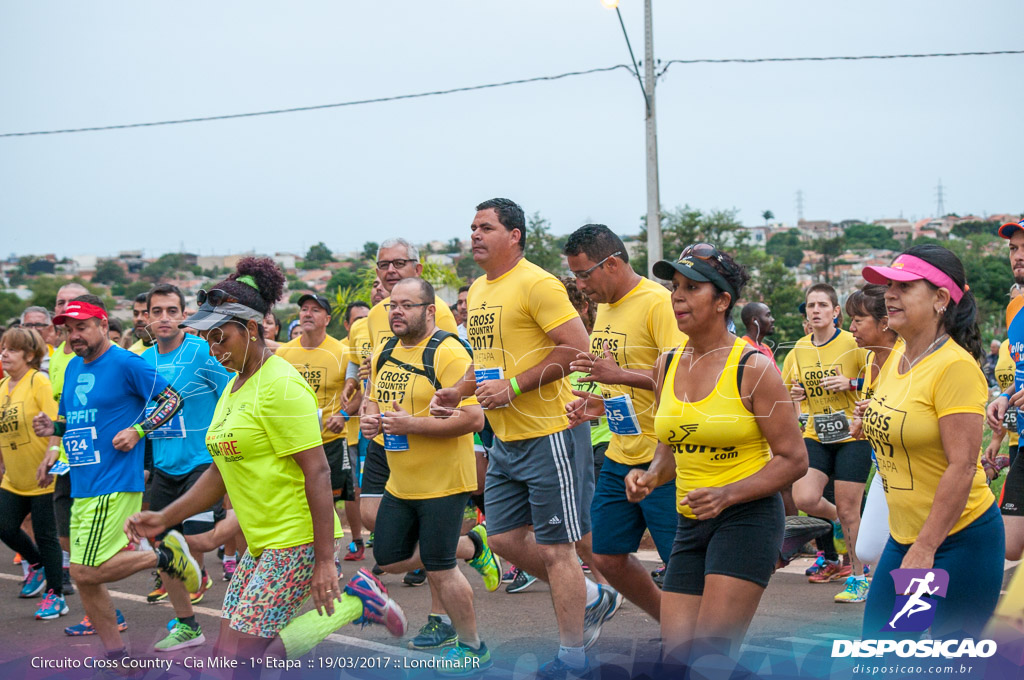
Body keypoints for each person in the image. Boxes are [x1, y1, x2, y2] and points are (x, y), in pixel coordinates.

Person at [125, 257, 407, 662]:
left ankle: (352, 603)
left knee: (245, 659)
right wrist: (163, 517)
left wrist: (326, 560)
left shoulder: (281, 385)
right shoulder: (234, 387)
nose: (213, 348)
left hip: (295, 541)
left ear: (252, 329)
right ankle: (357, 602)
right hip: (260, 543)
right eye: (208, 339)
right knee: (227, 655)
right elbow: (220, 472)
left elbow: (319, 471)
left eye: (220, 338)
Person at [433, 198, 600, 677]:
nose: (475, 235)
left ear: (515, 235)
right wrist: (457, 391)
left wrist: (516, 386)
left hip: (550, 433)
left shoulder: (538, 282)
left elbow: (577, 348)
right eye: (472, 227)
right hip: (506, 440)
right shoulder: (482, 290)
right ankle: (590, 596)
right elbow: (487, 361)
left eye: (486, 227)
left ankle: (573, 657)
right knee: (504, 539)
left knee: (556, 548)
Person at [627, 244, 806, 663]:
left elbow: (794, 460)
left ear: (723, 300)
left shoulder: (754, 368)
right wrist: (650, 475)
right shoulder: (665, 364)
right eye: (674, 287)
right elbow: (671, 444)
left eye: (692, 287)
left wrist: (727, 493)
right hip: (690, 523)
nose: (677, 296)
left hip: (746, 521)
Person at [31, 295, 200, 662]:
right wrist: (53, 430)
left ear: (103, 325)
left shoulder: (126, 362)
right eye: (69, 329)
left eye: (82, 327)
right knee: (85, 577)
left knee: (83, 570)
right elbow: (74, 421)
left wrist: (139, 430)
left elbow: (172, 400)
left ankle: (162, 554)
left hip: (114, 481)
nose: (74, 336)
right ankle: (117, 657)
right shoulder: (74, 366)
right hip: (83, 481)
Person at [860, 244, 1002, 639]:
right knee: (881, 654)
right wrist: (869, 422)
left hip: (957, 542)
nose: (889, 293)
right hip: (905, 537)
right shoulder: (899, 355)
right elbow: (907, 422)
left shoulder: (955, 367)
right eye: (888, 284)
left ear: (941, 299)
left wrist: (925, 549)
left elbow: (962, 464)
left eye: (904, 286)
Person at [362, 277, 496, 673]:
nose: (397, 312)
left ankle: (473, 647)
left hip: (444, 481)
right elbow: (375, 399)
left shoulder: (448, 351)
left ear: (429, 311)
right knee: (387, 555)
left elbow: (474, 418)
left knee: (439, 564)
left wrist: (411, 426)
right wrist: (371, 420)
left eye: (406, 305)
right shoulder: (384, 349)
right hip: (401, 480)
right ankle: (473, 544)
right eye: (392, 305)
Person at [562, 224, 679, 632]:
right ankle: (669, 619)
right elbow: (616, 382)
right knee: (606, 555)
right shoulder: (606, 305)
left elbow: (682, 380)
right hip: (620, 452)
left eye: (583, 274)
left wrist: (617, 375)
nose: (580, 284)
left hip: (663, 458)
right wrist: (593, 405)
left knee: (680, 563)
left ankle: (696, 639)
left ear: (611, 263)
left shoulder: (658, 303)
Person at [141, 283, 233, 651]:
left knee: (198, 540)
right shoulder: (143, 362)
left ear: (184, 315)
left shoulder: (202, 352)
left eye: (172, 311)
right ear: (147, 318)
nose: (165, 318)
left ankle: (247, 530)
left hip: (203, 461)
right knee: (162, 545)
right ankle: (188, 625)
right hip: (164, 465)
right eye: (157, 311)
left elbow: (231, 391)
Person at [788, 283, 871, 598]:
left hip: (852, 433)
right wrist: (798, 393)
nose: (816, 311)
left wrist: (851, 383)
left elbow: (881, 375)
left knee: (851, 508)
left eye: (823, 305)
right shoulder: (800, 347)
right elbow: (798, 386)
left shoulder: (854, 342)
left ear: (836, 311)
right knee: (805, 498)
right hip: (817, 432)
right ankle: (840, 520)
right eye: (811, 305)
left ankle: (859, 578)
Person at [276, 294, 362, 567]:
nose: (308, 314)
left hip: (330, 440)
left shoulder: (342, 352)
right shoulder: (284, 354)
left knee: (329, 504)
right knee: (300, 503)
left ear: (327, 319)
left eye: (315, 310)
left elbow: (362, 392)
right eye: (304, 309)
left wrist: (345, 414)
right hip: (296, 442)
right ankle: (303, 557)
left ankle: (330, 558)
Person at [0, 327, 65, 619]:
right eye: (2, 348)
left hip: (43, 476)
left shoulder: (37, 380)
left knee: (46, 535)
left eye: (11, 349)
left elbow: (55, 421)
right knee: (5, 526)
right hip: (13, 477)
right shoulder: (2, 387)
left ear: (29, 354)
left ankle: (56, 594)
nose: (4, 354)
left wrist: (52, 455)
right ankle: (36, 565)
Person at [842, 285, 897, 602]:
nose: (852, 328)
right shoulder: (872, 361)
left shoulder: (906, 359)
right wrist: (863, 420)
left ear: (884, 322)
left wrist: (874, 413)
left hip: (915, 475)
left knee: (918, 549)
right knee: (868, 547)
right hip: (883, 468)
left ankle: (919, 616)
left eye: (858, 319)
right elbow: (870, 418)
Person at [47, 282, 89, 598]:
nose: (64, 308)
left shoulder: (116, 357)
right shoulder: (61, 359)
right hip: (66, 451)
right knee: (62, 516)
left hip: (99, 454)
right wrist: (52, 441)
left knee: (90, 534)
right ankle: (65, 570)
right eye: (60, 303)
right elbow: (62, 408)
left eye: (72, 303)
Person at [988, 218, 1024, 561]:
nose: (1018, 255)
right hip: (1022, 440)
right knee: (1010, 544)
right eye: (1014, 248)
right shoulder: (1016, 308)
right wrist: (1003, 396)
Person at [340, 300, 370, 561]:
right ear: (347, 325)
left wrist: (343, 413)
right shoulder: (339, 350)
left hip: (370, 430)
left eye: (367, 318)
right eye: (357, 319)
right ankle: (358, 541)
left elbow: (362, 391)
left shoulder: (380, 340)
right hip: (346, 432)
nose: (363, 323)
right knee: (353, 490)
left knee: (371, 487)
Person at [19, 306, 56, 375]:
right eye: (28, 325)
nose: (33, 329)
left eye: (38, 325)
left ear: (49, 329)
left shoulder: (58, 356)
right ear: (20, 328)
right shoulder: (8, 359)